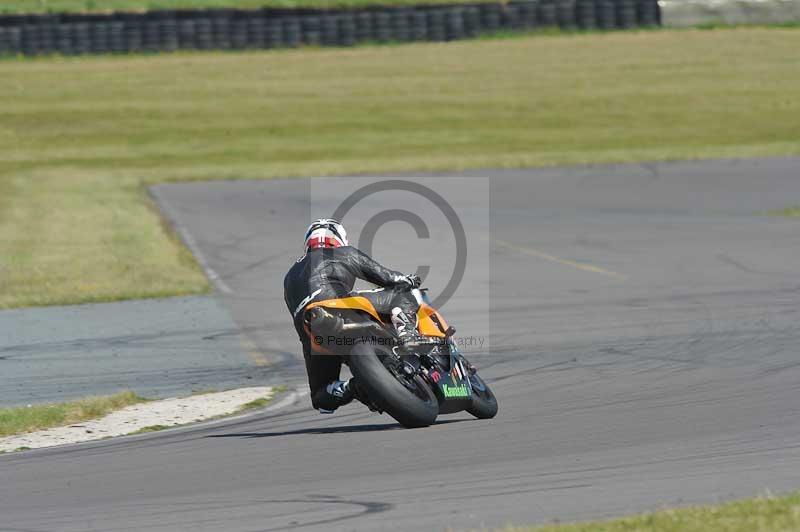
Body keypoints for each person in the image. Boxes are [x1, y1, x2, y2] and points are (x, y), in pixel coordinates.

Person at [283, 218, 422, 414]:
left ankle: (352, 387)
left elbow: (296, 315)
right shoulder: (343, 252)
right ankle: (409, 336)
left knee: (321, 398)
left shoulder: (289, 276)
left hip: (313, 331)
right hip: (339, 307)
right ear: (339, 238)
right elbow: (387, 277)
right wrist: (407, 279)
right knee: (402, 293)